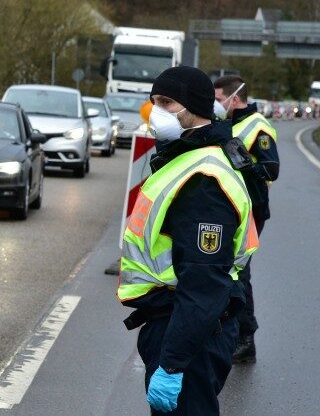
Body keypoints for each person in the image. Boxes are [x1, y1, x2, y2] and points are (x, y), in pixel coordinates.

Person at [118, 66, 260, 414]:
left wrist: (172, 364)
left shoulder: (203, 181)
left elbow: (203, 284)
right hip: (178, 323)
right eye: (153, 102)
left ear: (195, 108)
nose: (156, 112)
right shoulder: (185, 158)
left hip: (190, 332)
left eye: (167, 102)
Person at [214, 75, 279, 364]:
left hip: (251, 209)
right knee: (225, 268)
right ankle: (226, 330)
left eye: (218, 100)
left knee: (240, 271)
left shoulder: (258, 127)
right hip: (230, 207)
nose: (215, 105)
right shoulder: (230, 122)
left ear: (234, 98)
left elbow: (271, 169)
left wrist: (244, 164)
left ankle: (245, 338)